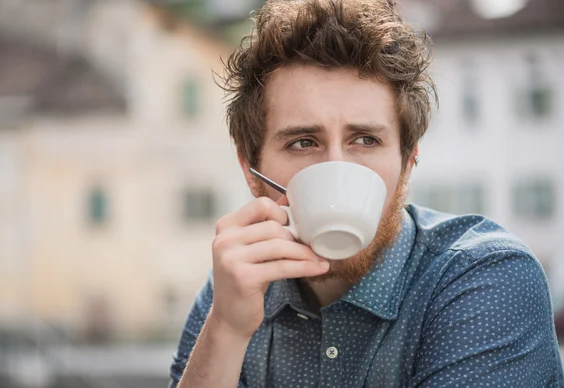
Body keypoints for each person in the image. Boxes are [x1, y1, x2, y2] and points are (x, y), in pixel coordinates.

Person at [169, 0, 564, 386]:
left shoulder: (488, 279)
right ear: (252, 174)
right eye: (303, 142)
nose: (337, 167)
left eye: (365, 139)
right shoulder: (231, 295)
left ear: (408, 162)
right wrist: (225, 330)